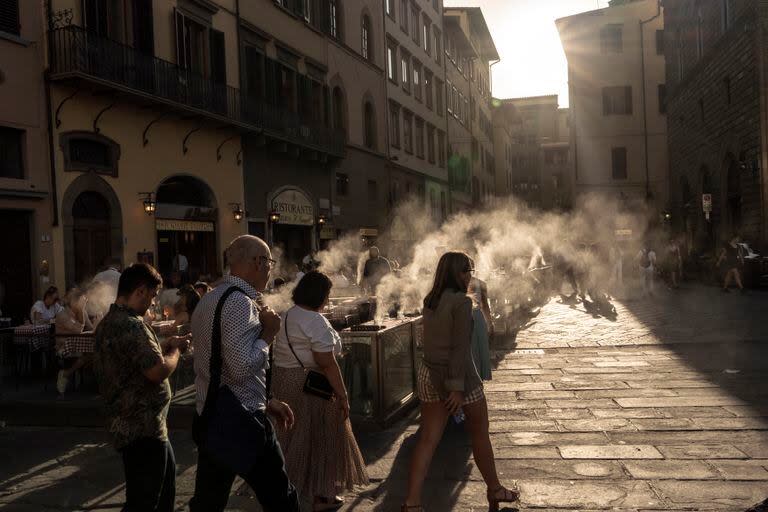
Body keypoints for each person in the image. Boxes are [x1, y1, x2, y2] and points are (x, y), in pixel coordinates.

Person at [189, 235, 300, 512]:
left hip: (211, 415)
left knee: (207, 503)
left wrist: (269, 399)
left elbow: (217, 361)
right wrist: (269, 333)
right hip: (243, 419)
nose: (270, 269)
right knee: (281, 499)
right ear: (257, 262)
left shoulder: (208, 299)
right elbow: (240, 367)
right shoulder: (240, 303)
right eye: (269, 263)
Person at [402, 252, 519, 512]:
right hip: (460, 377)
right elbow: (459, 349)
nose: (470, 275)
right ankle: (495, 489)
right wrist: (455, 387)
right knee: (480, 434)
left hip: (428, 374)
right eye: (467, 270)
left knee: (428, 440)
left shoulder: (430, 300)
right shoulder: (461, 303)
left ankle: (411, 503)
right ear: (456, 273)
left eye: (471, 270)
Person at [92, 263, 191, 512]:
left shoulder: (108, 323)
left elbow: (135, 356)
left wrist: (164, 345)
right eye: (153, 295)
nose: (153, 302)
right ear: (140, 291)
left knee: (163, 491)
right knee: (144, 501)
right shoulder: (131, 324)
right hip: (141, 426)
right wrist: (176, 351)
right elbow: (156, 371)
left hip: (140, 425)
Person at [272, 271, 369, 511]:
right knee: (324, 438)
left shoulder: (287, 315)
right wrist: (343, 395)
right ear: (320, 295)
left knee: (293, 438)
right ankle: (323, 496)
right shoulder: (314, 320)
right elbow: (326, 362)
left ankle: (286, 490)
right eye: (327, 293)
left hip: (284, 382)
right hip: (310, 384)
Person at [55, 287, 95, 394]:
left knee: (96, 352)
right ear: (73, 302)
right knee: (91, 353)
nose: (82, 303)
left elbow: (91, 328)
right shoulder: (62, 315)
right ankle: (66, 374)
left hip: (78, 345)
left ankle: (93, 383)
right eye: (80, 301)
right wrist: (81, 310)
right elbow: (78, 330)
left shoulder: (82, 312)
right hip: (64, 347)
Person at [468, 262, 493, 381]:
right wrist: (489, 323)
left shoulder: (453, 284)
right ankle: (478, 379)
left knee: (471, 350)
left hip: (467, 318)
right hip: (477, 318)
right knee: (477, 349)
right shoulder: (481, 283)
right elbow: (485, 306)